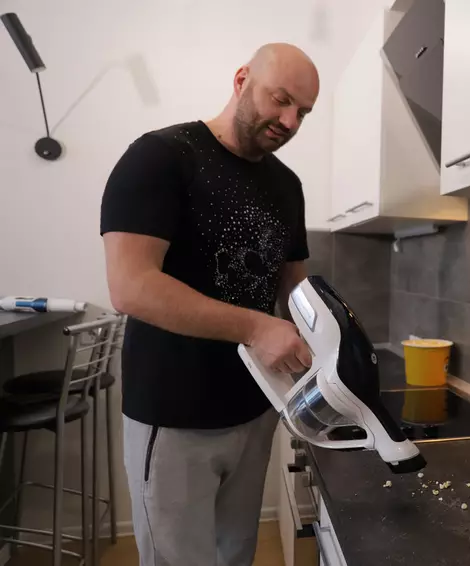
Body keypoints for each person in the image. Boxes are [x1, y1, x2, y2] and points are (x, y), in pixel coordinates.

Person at [100, 43, 319, 566]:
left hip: (255, 409)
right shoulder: (161, 156)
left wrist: (328, 339)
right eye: (281, 100)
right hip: (173, 413)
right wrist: (257, 328)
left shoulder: (288, 185)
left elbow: (294, 289)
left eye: (303, 112)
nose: (290, 122)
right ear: (242, 79)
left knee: (235, 553)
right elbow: (130, 286)